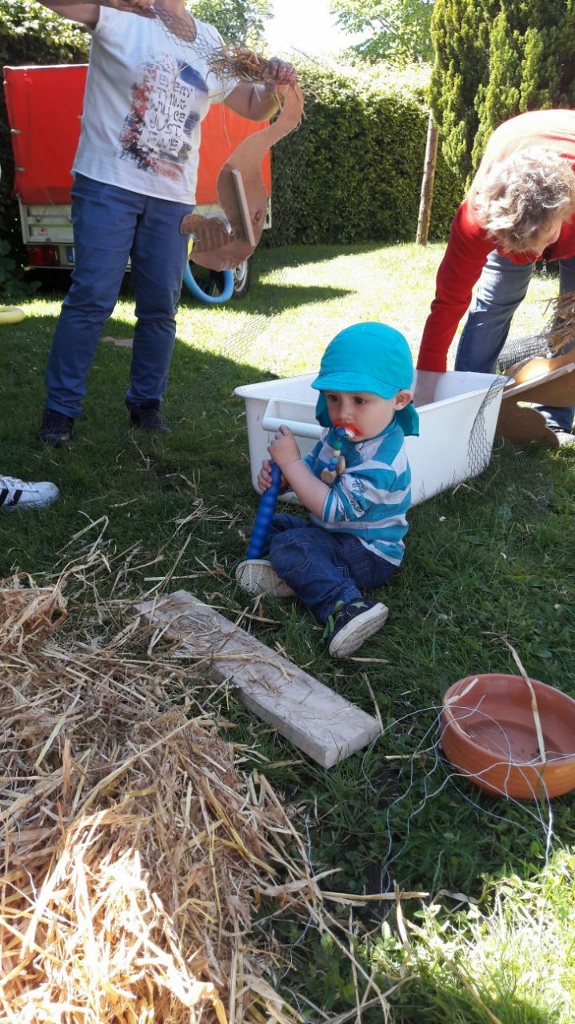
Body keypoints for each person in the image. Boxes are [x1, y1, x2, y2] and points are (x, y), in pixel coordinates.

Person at [36, 0, 298, 445]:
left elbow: (255, 106)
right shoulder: (123, 11)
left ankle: (146, 404)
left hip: (172, 197)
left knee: (160, 307)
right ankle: (60, 410)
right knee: (92, 297)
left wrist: (275, 87)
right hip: (107, 183)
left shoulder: (208, 39)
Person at [236, 322, 419, 659]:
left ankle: (347, 606)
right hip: (335, 535)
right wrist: (287, 478)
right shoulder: (341, 434)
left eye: (359, 400)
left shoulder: (383, 461)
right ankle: (292, 578)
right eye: (334, 398)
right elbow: (314, 469)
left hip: (369, 553)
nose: (343, 412)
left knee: (291, 545)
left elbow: (333, 509)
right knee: (278, 526)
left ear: (399, 400)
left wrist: (291, 464)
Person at [416, 109, 575, 442]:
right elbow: (448, 304)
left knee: (571, 317)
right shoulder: (477, 219)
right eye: (525, 246)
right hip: (515, 150)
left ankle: (555, 420)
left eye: (543, 240)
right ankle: (468, 410)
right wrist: (425, 391)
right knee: (495, 303)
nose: (536, 256)